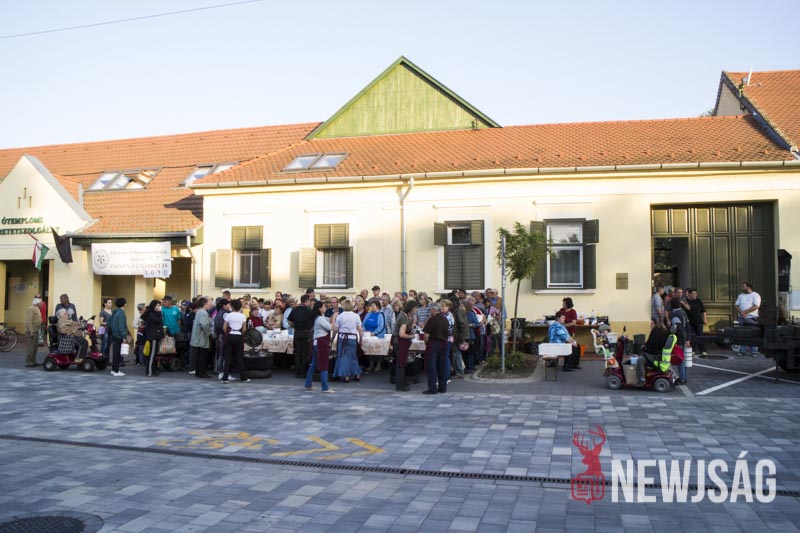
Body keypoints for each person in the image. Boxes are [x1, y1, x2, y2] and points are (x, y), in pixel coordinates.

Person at [305, 301, 334, 393]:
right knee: (324, 364)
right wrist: (334, 317)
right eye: (324, 306)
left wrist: (333, 316)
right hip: (321, 343)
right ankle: (325, 387)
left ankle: (308, 384)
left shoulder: (319, 318)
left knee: (313, 364)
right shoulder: (320, 319)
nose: (325, 308)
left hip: (316, 343)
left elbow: (327, 319)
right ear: (320, 308)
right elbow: (331, 327)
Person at [332, 299, 363, 383]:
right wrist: (361, 339)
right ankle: (357, 374)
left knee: (343, 356)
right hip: (352, 337)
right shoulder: (356, 316)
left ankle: (346, 375)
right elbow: (360, 329)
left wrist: (332, 338)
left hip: (342, 337)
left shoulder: (340, 316)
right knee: (353, 356)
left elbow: (335, 329)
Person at [422, 302, 449, 394]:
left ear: (434, 309)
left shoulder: (432, 320)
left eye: (431, 309)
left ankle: (432, 388)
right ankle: (442, 387)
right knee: (442, 366)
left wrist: (426, 343)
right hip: (444, 343)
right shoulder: (445, 319)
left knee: (431, 366)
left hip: (433, 343)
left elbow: (426, 335)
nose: (430, 311)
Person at [221, 299, 250, 384]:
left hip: (230, 335)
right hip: (238, 335)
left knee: (228, 357)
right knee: (239, 358)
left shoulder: (228, 315)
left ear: (232, 306)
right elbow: (244, 329)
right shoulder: (242, 316)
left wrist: (227, 332)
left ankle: (225, 378)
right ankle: (243, 377)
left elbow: (224, 327)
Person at [289, 294, 316, 378]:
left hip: (297, 332)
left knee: (297, 353)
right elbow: (313, 322)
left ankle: (297, 372)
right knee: (306, 353)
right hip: (306, 333)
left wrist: (295, 325)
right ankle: (304, 372)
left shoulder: (295, 309)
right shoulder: (309, 310)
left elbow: (289, 321)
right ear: (307, 301)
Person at [636, 319, 669, 386]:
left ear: (655, 324)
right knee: (642, 355)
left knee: (640, 360)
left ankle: (642, 379)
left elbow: (652, 346)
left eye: (651, 324)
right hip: (659, 354)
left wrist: (644, 348)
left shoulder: (656, 332)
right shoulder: (664, 331)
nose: (650, 325)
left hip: (655, 355)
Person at [394, 300, 417, 392]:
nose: (415, 310)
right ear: (411, 308)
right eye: (415, 308)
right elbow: (401, 334)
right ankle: (400, 385)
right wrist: (412, 336)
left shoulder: (403, 315)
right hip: (400, 343)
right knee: (401, 364)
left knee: (401, 363)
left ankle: (402, 382)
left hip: (399, 342)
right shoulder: (403, 317)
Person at [735, 282, 761, 356]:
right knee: (742, 334)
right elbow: (736, 305)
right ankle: (742, 350)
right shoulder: (741, 295)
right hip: (741, 317)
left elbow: (756, 306)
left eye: (743, 287)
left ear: (748, 287)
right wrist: (741, 312)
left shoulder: (755, 295)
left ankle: (754, 351)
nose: (741, 288)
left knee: (752, 334)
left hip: (751, 317)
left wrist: (745, 312)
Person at [555, 297, 582, 371]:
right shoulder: (561, 311)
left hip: (568, 332)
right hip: (563, 334)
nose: (562, 304)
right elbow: (557, 319)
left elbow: (573, 323)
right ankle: (567, 366)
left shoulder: (573, 312)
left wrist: (564, 326)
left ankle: (575, 364)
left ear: (568, 304)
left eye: (564, 303)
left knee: (577, 346)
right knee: (571, 347)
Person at [190, 297, 213, 378]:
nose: (210, 304)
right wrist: (209, 332)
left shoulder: (199, 312)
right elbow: (204, 324)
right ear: (205, 304)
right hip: (201, 337)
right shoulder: (203, 313)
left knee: (199, 355)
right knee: (203, 356)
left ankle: (199, 372)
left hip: (198, 337)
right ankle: (201, 372)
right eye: (209, 303)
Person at [668, 298, 689, 384]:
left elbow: (677, 328)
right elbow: (688, 326)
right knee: (684, 359)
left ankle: (682, 379)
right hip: (684, 338)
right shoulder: (683, 313)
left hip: (678, 339)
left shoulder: (674, 314)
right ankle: (684, 377)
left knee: (680, 359)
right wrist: (688, 339)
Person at [362, 300, 387, 374]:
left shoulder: (381, 314)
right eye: (371, 305)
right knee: (369, 350)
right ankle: (371, 364)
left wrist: (374, 333)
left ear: (378, 306)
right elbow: (363, 324)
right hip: (367, 335)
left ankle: (378, 364)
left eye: (373, 305)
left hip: (377, 336)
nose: (372, 307)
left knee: (378, 351)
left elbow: (382, 326)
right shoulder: (368, 314)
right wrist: (364, 331)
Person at [142, 300, 165, 377]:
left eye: (159, 306)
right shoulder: (151, 314)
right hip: (153, 336)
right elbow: (159, 321)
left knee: (154, 354)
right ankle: (149, 371)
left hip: (156, 335)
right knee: (152, 354)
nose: (159, 307)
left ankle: (153, 370)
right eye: (157, 306)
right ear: (153, 306)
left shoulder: (154, 314)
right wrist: (159, 312)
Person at [108, 298, 130, 377]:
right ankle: (116, 371)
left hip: (114, 334)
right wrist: (124, 336)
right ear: (124, 304)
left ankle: (113, 370)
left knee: (115, 353)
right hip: (119, 335)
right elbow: (122, 326)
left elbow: (108, 321)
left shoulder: (115, 312)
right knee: (117, 354)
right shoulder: (121, 313)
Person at [686, 289, 708, 357]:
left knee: (700, 335)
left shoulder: (698, 301)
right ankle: (693, 350)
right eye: (693, 293)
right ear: (689, 294)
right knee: (692, 336)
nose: (695, 295)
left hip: (698, 321)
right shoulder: (686, 301)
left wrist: (705, 319)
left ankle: (703, 350)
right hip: (690, 321)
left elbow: (703, 311)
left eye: (695, 293)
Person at [25, 296, 43, 367]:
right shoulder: (31, 309)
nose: (42, 304)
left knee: (35, 348)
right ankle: (29, 361)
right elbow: (29, 321)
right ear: (37, 303)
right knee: (31, 348)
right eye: (41, 303)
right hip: (31, 332)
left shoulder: (37, 309)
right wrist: (31, 331)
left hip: (36, 331)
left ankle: (33, 361)